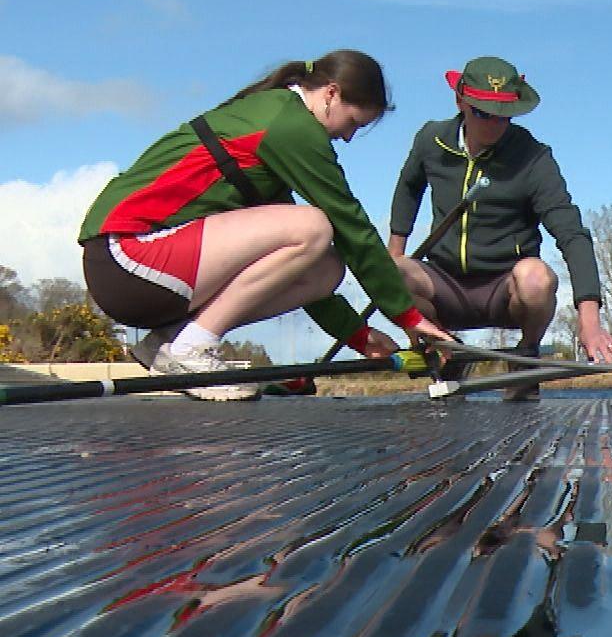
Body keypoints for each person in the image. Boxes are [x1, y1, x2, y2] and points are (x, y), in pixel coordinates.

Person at [78, 50, 452, 400]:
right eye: (353, 122)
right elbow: (349, 222)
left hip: (144, 271)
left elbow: (295, 266)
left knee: (325, 267)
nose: (349, 137)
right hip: (125, 257)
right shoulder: (288, 125)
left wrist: (359, 336)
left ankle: (172, 340)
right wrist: (408, 315)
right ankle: (192, 346)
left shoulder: (275, 124)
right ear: (331, 94)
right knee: (315, 227)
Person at [388, 56, 612, 402]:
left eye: (504, 115)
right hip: (444, 283)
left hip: (505, 289)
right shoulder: (430, 140)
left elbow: (572, 233)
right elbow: (408, 189)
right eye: (483, 113)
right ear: (460, 101)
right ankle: (447, 351)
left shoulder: (533, 157)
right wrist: (396, 253)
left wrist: (589, 321)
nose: (494, 125)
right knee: (385, 271)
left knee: (537, 277)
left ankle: (525, 359)